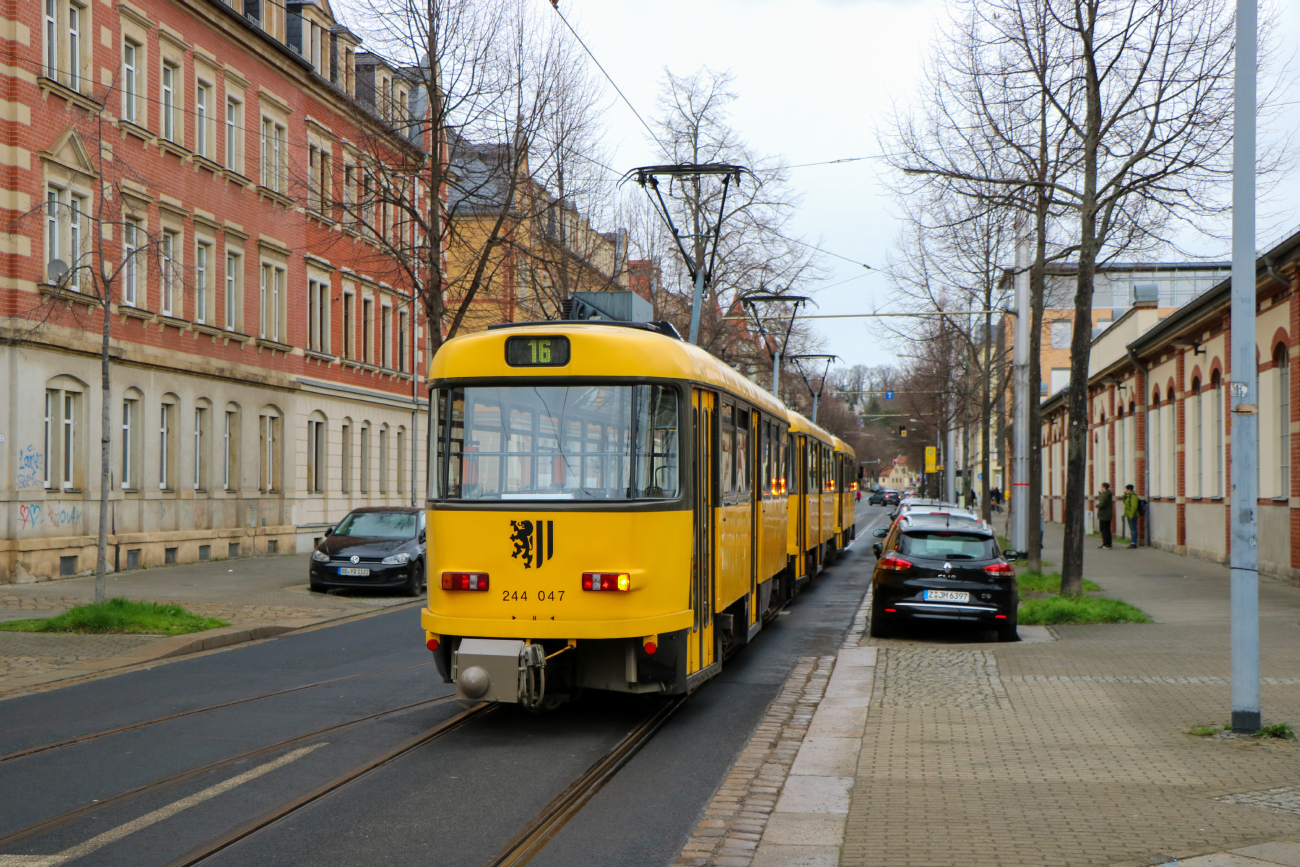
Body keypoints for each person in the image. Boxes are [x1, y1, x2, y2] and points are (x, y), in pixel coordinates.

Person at [1122, 484, 1140, 548]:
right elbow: (1125, 503)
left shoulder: (1133, 497)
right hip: (1129, 515)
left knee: (1133, 529)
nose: (1125, 491)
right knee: (1132, 529)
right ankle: (1132, 542)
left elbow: (1134, 507)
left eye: (1126, 489)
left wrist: (1131, 516)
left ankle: (1133, 543)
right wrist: (1124, 496)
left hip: (1133, 515)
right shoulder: (1129, 496)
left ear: (1129, 489)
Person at [1096, 482, 1113, 549]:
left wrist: (1097, 505)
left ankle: (1105, 544)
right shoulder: (1109, 494)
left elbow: (1102, 504)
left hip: (1103, 515)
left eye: (1101, 487)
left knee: (1103, 530)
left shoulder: (1103, 495)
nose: (1101, 488)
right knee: (1108, 529)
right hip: (1108, 515)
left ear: (1104, 488)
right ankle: (1109, 543)